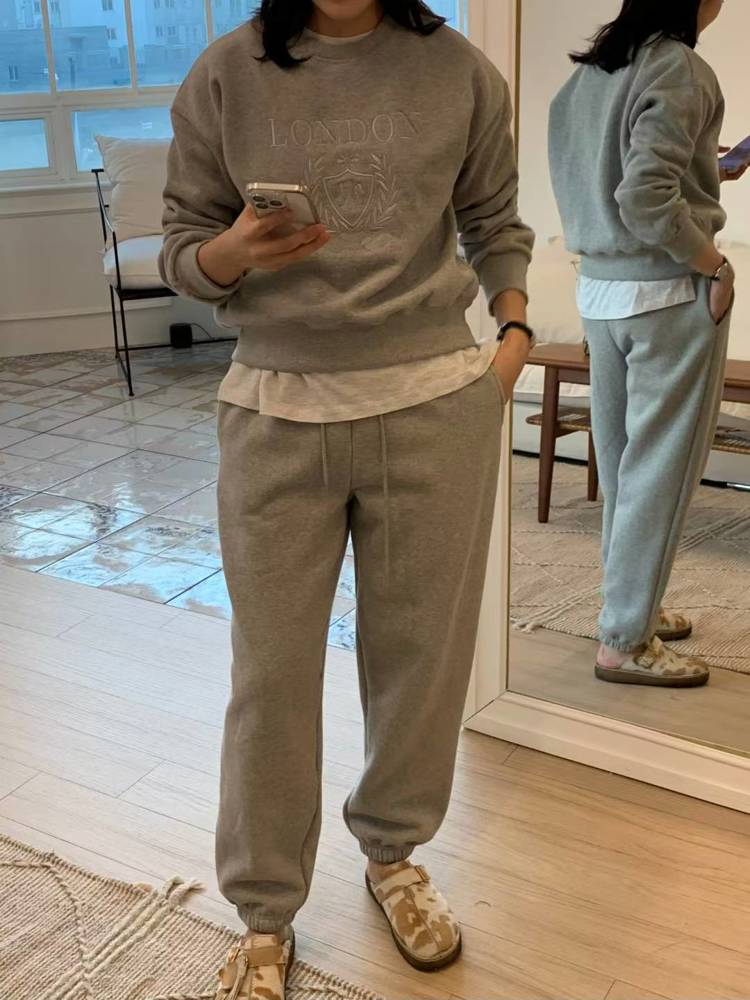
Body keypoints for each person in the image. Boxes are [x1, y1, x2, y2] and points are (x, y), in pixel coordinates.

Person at [159, 1, 534, 995]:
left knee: (421, 662)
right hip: (275, 411)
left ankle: (394, 856)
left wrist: (512, 338)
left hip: (434, 404)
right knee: (271, 674)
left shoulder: (458, 70)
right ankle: (264, 912)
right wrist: (234, 253)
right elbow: (182, 250)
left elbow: (496, 222)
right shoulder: (225, 73)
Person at [549, 0, 743, 689]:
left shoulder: (590, 74)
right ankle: (625, 639)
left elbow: (615, 179)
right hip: (665, 292)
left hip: (601, 291)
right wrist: (714, 265)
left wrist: (711, 167)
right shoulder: (679, 67)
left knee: (625, 464)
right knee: (661, 471)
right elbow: (643, 197)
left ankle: (634, 609)